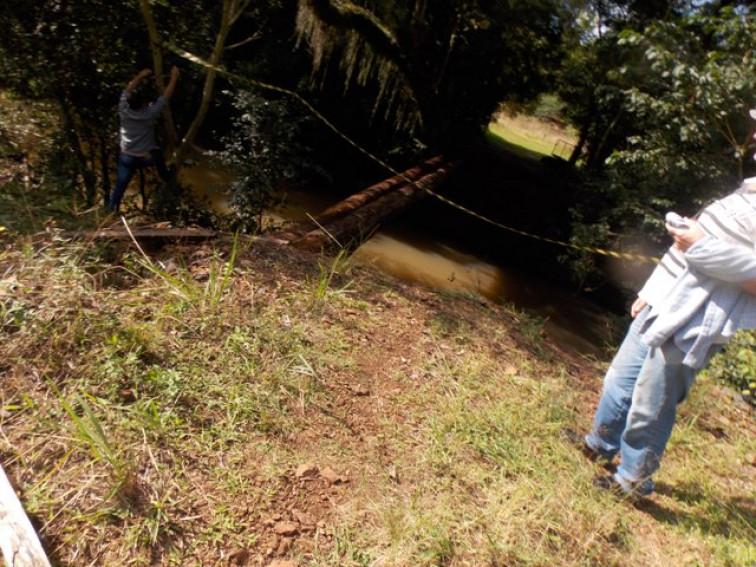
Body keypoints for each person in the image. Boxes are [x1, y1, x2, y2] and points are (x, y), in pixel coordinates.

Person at [580, 110, 756, 499]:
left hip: (698, 318)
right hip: (666, 299)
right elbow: (690, 246)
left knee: (652, 401)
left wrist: (702, 245)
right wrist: (652, 288)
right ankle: (599, 443)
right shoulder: (748, 189)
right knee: (620, 380)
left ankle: (633, 480)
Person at [108, 66, 180, 212]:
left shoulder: (123, 109)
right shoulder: (149, 113)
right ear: (142, 103)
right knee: (158, 152)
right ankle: (166, 175)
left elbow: (128, 89)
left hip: (127, 157)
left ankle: (110, 211)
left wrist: (140, 75)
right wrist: (174, 77)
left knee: (119, 187)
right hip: (145, 158)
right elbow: (166, 96)